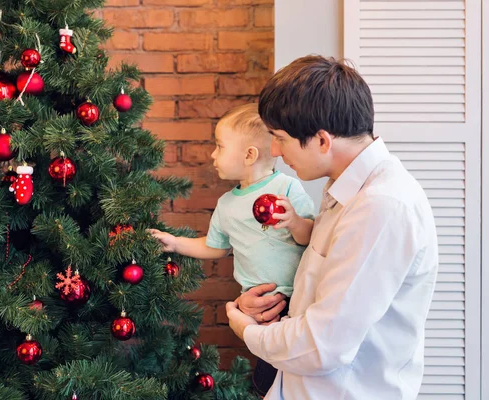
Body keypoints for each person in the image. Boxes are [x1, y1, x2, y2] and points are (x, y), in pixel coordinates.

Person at [226, 56, 439, 400]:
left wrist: (248, 332)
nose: (275, 151)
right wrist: (270, 314)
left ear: (323, 141)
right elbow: (324, 301)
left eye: (280, 138)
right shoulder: (346, 188)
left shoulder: (380, 206)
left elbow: (323, 345)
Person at [147, 103, 315, 396]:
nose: (213, 154)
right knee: (269, 378)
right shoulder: (227, 204)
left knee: (287, 377)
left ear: (249, 155)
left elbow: (310, 237)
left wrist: (294, 221)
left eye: (219, 146)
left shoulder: (286, 189)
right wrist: (174, 243)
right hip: (258, 305)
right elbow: (215, 248)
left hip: (296, 301)